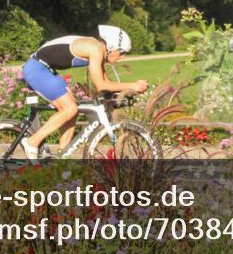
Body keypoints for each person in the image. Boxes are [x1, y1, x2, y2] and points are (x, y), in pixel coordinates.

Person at [20, 25, 147, 160]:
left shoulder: (98, 50)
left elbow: (106, 82)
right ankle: (32, 142)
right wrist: (133, 85)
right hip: (37, 69)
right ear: (111, 47)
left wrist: (126, 90)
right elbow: (101, 85)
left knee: (72, 112)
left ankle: (61, 158)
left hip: (46, 69)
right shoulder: (95, 49)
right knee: (69, 109)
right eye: (121, 52)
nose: (122, 57)